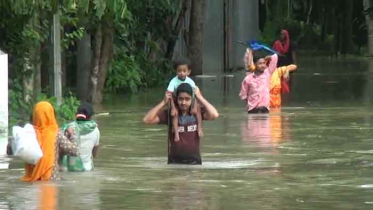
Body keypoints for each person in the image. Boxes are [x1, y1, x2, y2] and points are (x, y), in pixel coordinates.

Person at [143, 83, 219, 165]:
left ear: (192, 99)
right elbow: (147, 120)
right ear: (176, 99)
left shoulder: (197, 113)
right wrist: (163, 102)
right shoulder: (170, 114)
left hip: (194, 163)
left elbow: (214, 114)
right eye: (180, 99)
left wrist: (200, 97)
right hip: (174, 163)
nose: (183, 102)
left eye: (187, 99)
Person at [10, 101, 78, 182]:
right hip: (51, 180)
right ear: (51, 115)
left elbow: (12, 151)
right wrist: (72, 135)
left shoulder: (28, 133)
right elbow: (74, 151)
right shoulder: (56, 134)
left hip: (31, 181)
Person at [167, 59, 203, 142]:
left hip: (189, 101)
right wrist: (173, 107)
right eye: (179, 71)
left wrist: (194, 106)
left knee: (198, 109)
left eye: (184, 71)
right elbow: (170, 95)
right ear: (176, 71)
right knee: (175, 114)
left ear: (188, 72)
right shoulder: (173, 81)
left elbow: (195, 95)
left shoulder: (190, 82)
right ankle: (176, 133)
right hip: (176, 101)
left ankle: (200, 128)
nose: (182, 73)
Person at [61, 102, 100, 171]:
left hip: (68, 169)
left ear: (76, 114)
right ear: (91, 116)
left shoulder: (67, 128)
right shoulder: (95, 130)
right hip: (87, 169)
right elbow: (95, 154)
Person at [240, 48, 278, 114]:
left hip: (264, 108)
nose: (263, 65)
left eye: (264, 63)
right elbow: (244, 95)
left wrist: (268, 57)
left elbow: (275, 57)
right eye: (260, 63)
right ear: (254, 64)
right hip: (252, 108)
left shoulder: (267, 74)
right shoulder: (248, 79)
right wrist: (251, 103)